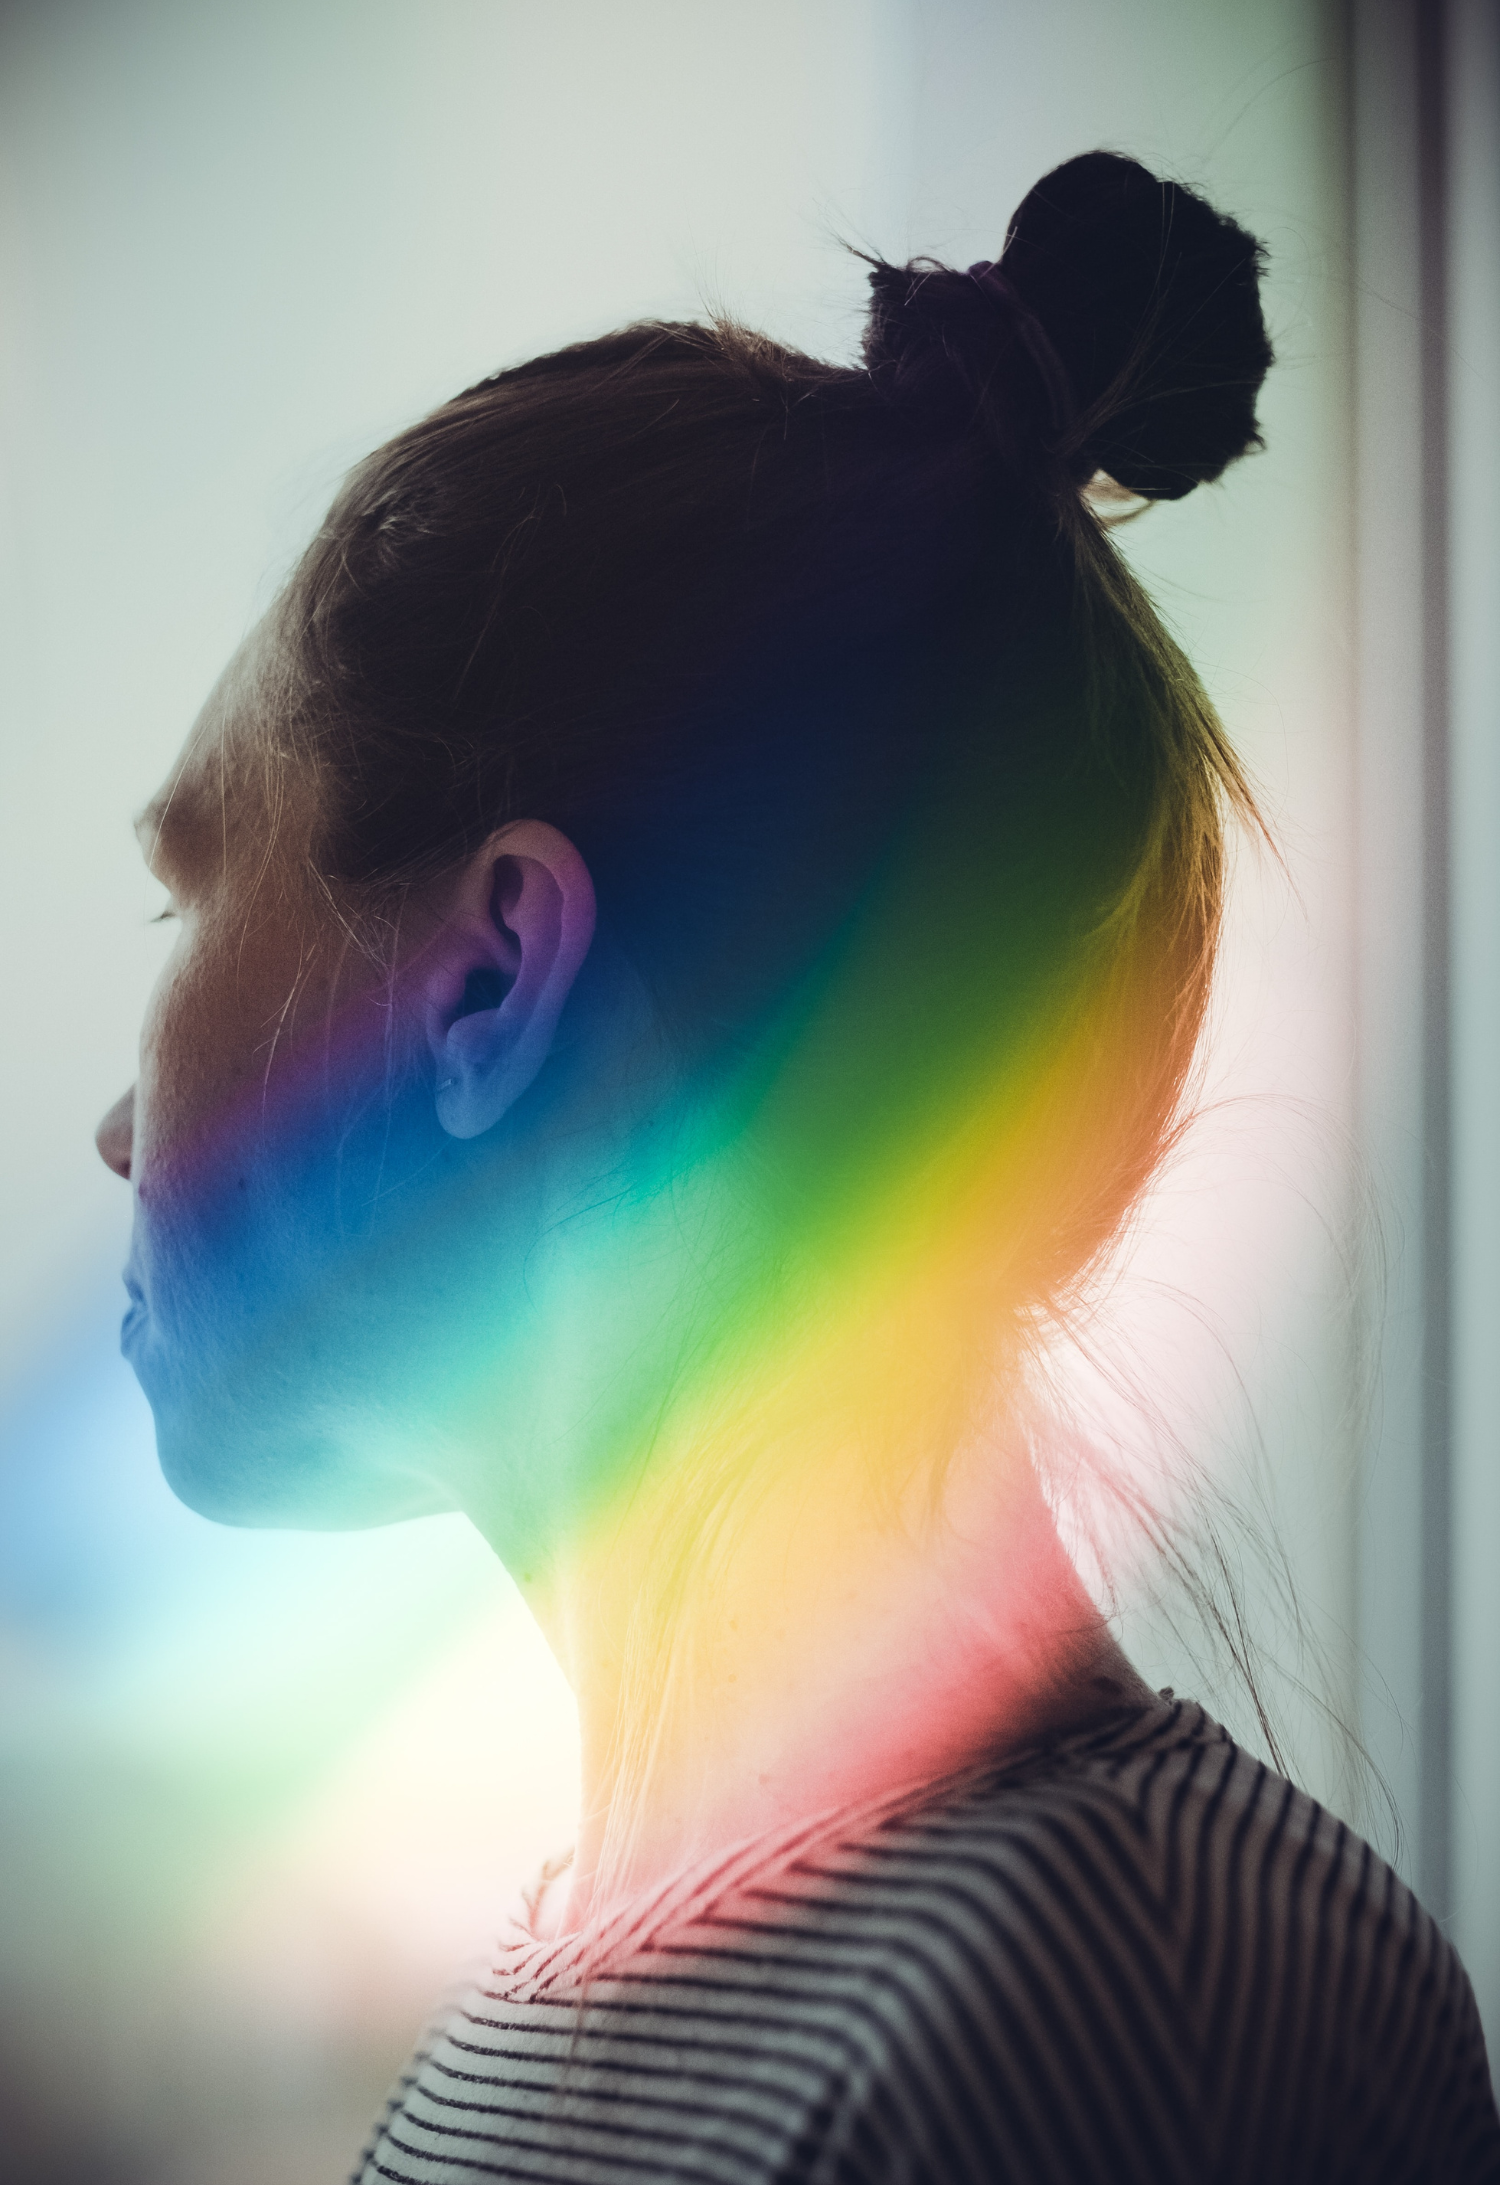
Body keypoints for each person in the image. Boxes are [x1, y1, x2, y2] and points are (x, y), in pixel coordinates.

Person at [96, 151, 1499, 2183]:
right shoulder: (615, 1980)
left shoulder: (1106, 2011)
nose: (113, 1126)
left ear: (487, 978)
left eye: (186, 892)